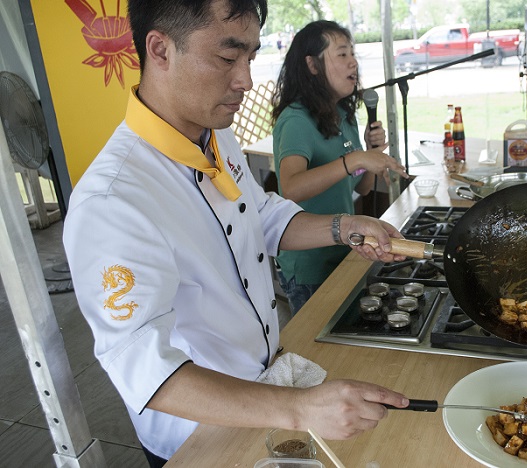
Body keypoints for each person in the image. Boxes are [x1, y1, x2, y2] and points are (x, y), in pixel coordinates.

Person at [62, 1, 410, 466]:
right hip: (198, 433)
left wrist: (344, 226)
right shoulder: (113, 199)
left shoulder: (216, 136)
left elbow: (261, 217)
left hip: (266, 393)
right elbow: (142, 367)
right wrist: (301, 407)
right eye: (228, 58)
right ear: (160, 49)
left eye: (250, 56)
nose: (245, 79)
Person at [271, 20, 408, 315]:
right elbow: (291, 187)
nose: (353, 62)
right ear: (312, 65)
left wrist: (370, 155)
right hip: (309, 264)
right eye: (342, 54)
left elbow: (362, 187)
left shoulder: (343, 114)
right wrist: (355, 159)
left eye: (353, 54)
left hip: (344, 249)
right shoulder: (296, 119)